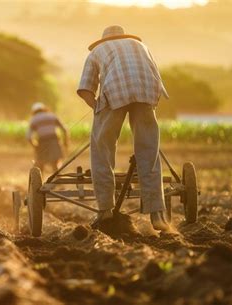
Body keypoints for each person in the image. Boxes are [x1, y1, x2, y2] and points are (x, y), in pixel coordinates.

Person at [77, 25, 171, 232]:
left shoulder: (97, 51)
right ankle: (157, 215)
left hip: (115, 93)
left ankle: (105, 211)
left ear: (104, 40)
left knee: (102, 149)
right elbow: (155, 77)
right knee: (149, 153)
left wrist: (97, 107)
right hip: (147, 92)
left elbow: (85, 89)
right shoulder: (141, 46)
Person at [26, 102, 69, 173]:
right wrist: (65, 142)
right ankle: (57, 180)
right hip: (54, 141)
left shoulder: (34, 119)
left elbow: (28, 137)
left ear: (34, 111)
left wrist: (35, 146)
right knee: (55, 164)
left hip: (42, 142)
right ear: (43, 109)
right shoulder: (52, 116)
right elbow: (64, 129)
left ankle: (40, 181)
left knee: (39, 165)